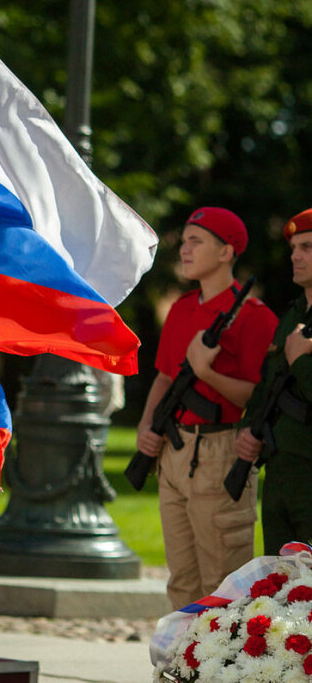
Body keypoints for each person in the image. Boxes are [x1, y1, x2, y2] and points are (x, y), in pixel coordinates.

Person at [135, 207, 277, 609]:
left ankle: (220, 668)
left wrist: (206, 372)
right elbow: (164, 378)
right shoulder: (181, 308)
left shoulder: (254, 317)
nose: (185, 249)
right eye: (183, 242)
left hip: (220, 452)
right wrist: (148, 428)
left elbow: (256, 396)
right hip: (174, 451)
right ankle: (181, 666)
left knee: (224, 583)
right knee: (181, 581)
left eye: (196, 241)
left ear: (226, 252)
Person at [236, 207, 312, 556]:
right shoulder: (294, 314)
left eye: (307, 248)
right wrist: (250, 427)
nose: (295, 256)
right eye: (294, 248)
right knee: (276, 580)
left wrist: (301, 361)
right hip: (279, 465)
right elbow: (267, 383)